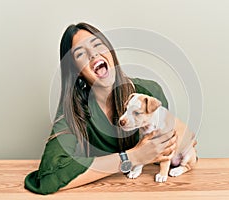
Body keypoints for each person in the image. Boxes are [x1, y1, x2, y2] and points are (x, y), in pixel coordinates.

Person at [24, 22, 178, 195]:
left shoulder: (149, 93)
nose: (93, 54)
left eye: (97, 44)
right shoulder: (71, 112)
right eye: (81, 53)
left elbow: (166, 151)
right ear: (77, 71)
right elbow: (48, 177)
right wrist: (130, 157)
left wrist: (181, 144)